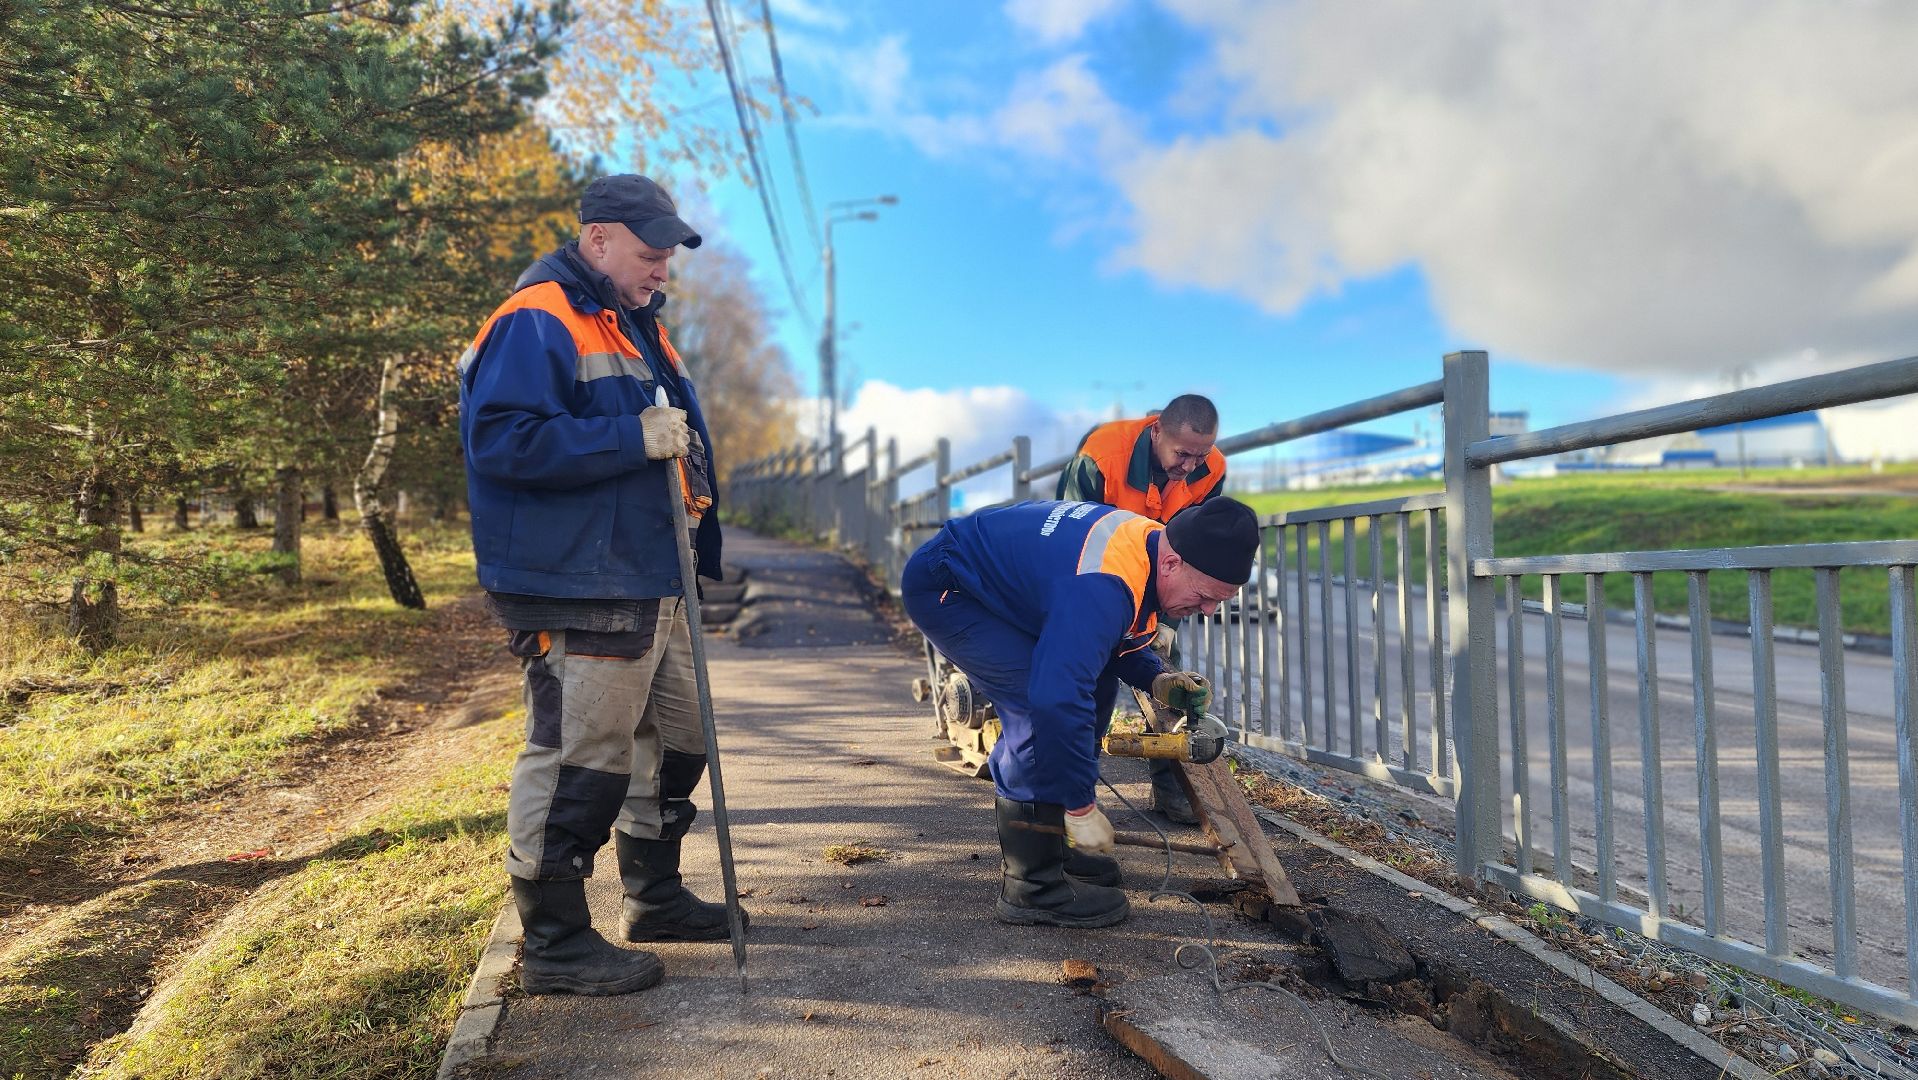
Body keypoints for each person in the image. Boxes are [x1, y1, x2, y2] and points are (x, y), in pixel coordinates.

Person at [457, 174, 736, 997]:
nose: (662, 271)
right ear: (599, 239)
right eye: (650, 255)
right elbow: (501, 444)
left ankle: (652, 896)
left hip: (650, 575)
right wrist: (628, 437)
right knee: (580, 758)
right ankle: (553, 944)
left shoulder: (636, 325)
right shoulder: (537, 317)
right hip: (578, 579)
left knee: (681, 740)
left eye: (667, 259)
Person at [902, 497, 1259, 927]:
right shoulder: (1103, 584)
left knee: (1094, 680)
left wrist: (1155, 677)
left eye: (1219, 601)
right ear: (1172, 565)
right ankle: (1033, 886)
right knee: (1036, 709)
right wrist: (1081, 807)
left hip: (1002, 583)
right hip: (950, 590)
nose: (1208, 611)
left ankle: (1057, 848)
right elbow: (1057, 696)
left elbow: (1112, 633)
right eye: (1205, 597)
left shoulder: (1148, 545)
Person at [1057, 394, 1226, 824]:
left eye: (1200, 455)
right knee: (1091, 681)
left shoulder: (1212, 469)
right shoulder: (1100, 456)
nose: (1190, 466)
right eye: (1182, 454)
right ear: (1156, 432)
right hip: (1098, 585)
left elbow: (1195, 549)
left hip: (1158, 588)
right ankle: (1073, 796)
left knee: (1170, 680)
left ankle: (1171, 790)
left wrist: (1165, 623)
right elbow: (1070, 539)